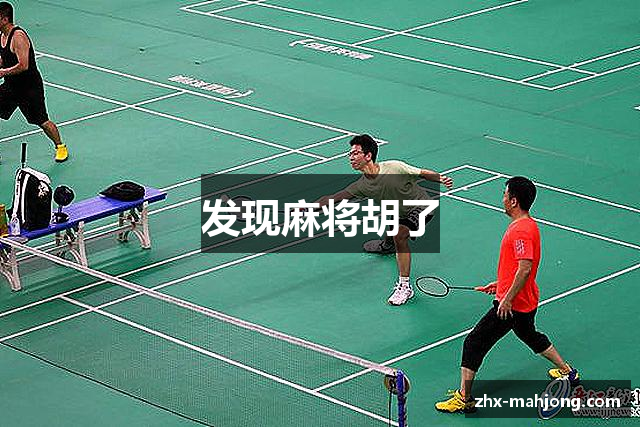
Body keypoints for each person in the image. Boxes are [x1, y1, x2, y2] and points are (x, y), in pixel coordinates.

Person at [435, 176, 579, 414]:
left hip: (513, 305)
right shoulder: (528, 225)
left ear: (513, 201)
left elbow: (525, 268)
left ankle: (464, 398)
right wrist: (499, 284)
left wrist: (507, 298)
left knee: (474, 343)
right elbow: (518, 268)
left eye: (504, 195)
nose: (502, 199)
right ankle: (567, 371)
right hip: (526, 299)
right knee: (530, 335)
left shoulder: (521, 231)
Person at [316, 134, 453, 306]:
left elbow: (422, 173)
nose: (351, 157)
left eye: (355, 153)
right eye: (350, 154)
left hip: (422, 207)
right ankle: (387, 246)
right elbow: (334, 198)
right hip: (397, 212)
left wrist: (440, 178)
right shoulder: (361, 185)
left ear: (368, 156)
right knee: (392, 225)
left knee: (399, 235)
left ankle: (405, 287)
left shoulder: (394, 168)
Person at [0, 2, 68, 162]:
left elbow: (23, 65)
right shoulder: (2, 36)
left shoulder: (18, 37)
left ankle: (60, 146)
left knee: (42, 121)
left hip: (29, 88)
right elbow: (3, 58)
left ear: (4, 19)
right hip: (11, 86)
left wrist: (3, 72)